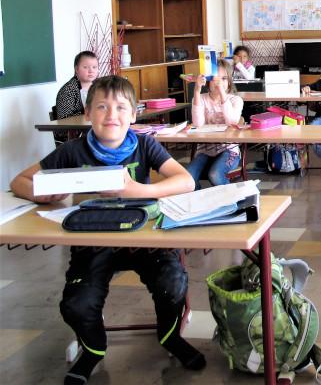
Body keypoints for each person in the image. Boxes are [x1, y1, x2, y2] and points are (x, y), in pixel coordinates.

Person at [10, 75, 203, 384]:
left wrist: (135, 190)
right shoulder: (73, 150)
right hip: (93, 241)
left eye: (120, 107)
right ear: (88, 113)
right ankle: (93, 349)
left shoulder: (144, 144)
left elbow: (185, 180)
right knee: (77, 303)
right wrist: (40, 193)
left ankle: (170, 337)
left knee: (173, 284)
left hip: (144, 238)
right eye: (101, 107)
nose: (111, 115)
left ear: (133, 114)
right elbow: (19, 180)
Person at [188, 59, 243, 188]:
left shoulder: (235, 100)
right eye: (214, 78)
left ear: (229, 81)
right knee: (187, 178)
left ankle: (232, 200)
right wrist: (196, 91)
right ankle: (202, 201)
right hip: (205, 151)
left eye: (224, 78)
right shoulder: (200, 99)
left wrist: (222, 94)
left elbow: (232, 121)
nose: (219, 82)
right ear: (207, 80)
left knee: (215, 175)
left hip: (229, 150)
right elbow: (197, 123)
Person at [55, 50, 99, 119]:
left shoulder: (99, 86)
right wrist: (87, 112)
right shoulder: (68, 90)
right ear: (76, 69)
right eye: (85, 67)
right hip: (77, 129)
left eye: (94, 67)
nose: (91, 71)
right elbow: (64, 119)